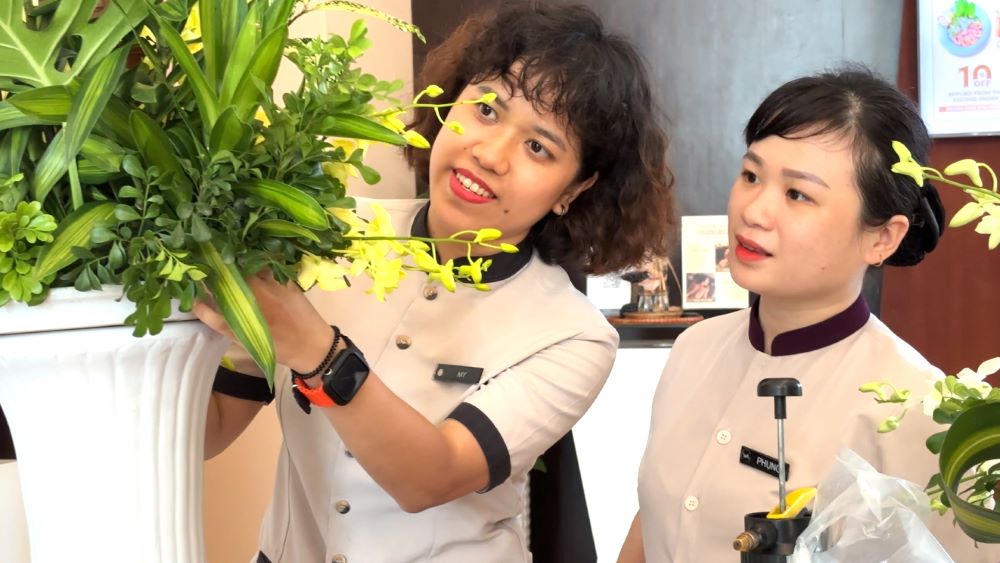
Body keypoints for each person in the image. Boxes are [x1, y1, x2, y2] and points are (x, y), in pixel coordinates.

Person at [196, 3, 675, 563]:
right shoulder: (329, 233)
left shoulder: (572, 335)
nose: (489, 154)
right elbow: (216, 423)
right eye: (486, 109)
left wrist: (316, 351)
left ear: (575, 188)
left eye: (538, 147)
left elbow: (431, 477)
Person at [618, 68, 1000, 562]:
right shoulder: (694, 348)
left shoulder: (916, 410)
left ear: (882, 237)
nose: (754, 211)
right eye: (751, 176)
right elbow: (654, 518)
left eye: (797, 194)